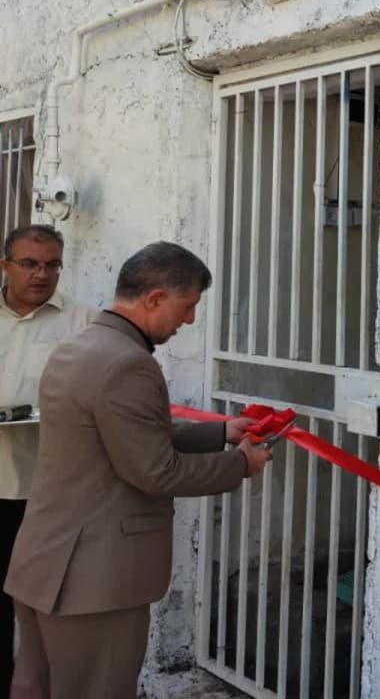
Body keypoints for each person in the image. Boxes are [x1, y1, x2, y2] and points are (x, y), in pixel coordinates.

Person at [4, 242, 271, 699]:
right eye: (187, 307)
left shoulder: (79, 346)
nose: (189, 320)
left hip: (44, 564)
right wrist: (241, 464)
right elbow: (156, 471)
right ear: (155, 299)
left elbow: (127, 434)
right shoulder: (129, 363)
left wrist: (221, 432)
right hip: (94, 581)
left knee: (34, 686)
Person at [0, 225, 92, 691]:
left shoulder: (84, 323)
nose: (42, 274)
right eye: (30, 264)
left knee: (43, 608)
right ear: (5, 266)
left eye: (52, 265)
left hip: (46, 494)